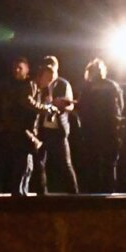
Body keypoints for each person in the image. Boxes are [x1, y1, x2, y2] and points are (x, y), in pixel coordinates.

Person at [0, 56, 53, 197]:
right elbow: (27, 102)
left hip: (26, 131)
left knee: (28, 166)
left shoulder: (35, 88)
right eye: (48, 78)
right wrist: (45, 109)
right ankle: (18, 195)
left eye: (20, 67)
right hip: (21, 131)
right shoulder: (29, 86)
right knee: (23, 165)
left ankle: (22, 194)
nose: (49, 82)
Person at [31, 55, 79, 195]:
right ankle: (42, 194)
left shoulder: (63, 84)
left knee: (65, 163)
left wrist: (60, 104)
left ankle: (74, 195)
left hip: (58, 130)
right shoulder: (39, 84)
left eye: (52, 68)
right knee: (39, 163)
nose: (50, 72)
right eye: (47, 68)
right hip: (42, 129)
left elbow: (70, 106)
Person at [78, 58, 124, 194]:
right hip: (112, 128)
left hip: (92, 131)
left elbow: (83, 108)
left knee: (93, 164)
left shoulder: (88, 88)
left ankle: (95, 196)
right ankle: (110, 194)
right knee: (110, 165)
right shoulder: (113, 86)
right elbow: (121, 107)